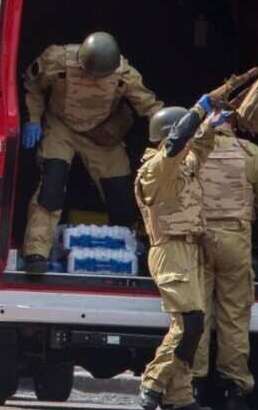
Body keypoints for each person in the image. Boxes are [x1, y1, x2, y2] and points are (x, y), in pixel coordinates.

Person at [20, 31, 163, 273]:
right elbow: (32, 83)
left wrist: (170, 130)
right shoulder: (58, 59)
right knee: (51, 186)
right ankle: (36, 252)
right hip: (60, 127)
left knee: (120, 192)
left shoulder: (124, 73)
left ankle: (130, 249)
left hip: (100, 134)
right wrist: (32, 118)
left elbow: (148, 105)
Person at [135, 96, 228, 410]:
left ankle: (179, 397)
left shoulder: (181, 164)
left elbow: (196, 151)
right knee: (189, 324)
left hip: (189, 250)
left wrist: (209, 128)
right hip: (169, 250)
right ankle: (153, 382)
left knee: (192, 326)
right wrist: (199, 109)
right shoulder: (156, 169)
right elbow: (177, 145)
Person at [191, 125, 258, 410]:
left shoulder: (191, 150)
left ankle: (192, 388)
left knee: (195, 315)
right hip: (235, 241)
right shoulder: (251, 152)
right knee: (234, 318)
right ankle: (234, 394)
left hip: (196, 240)